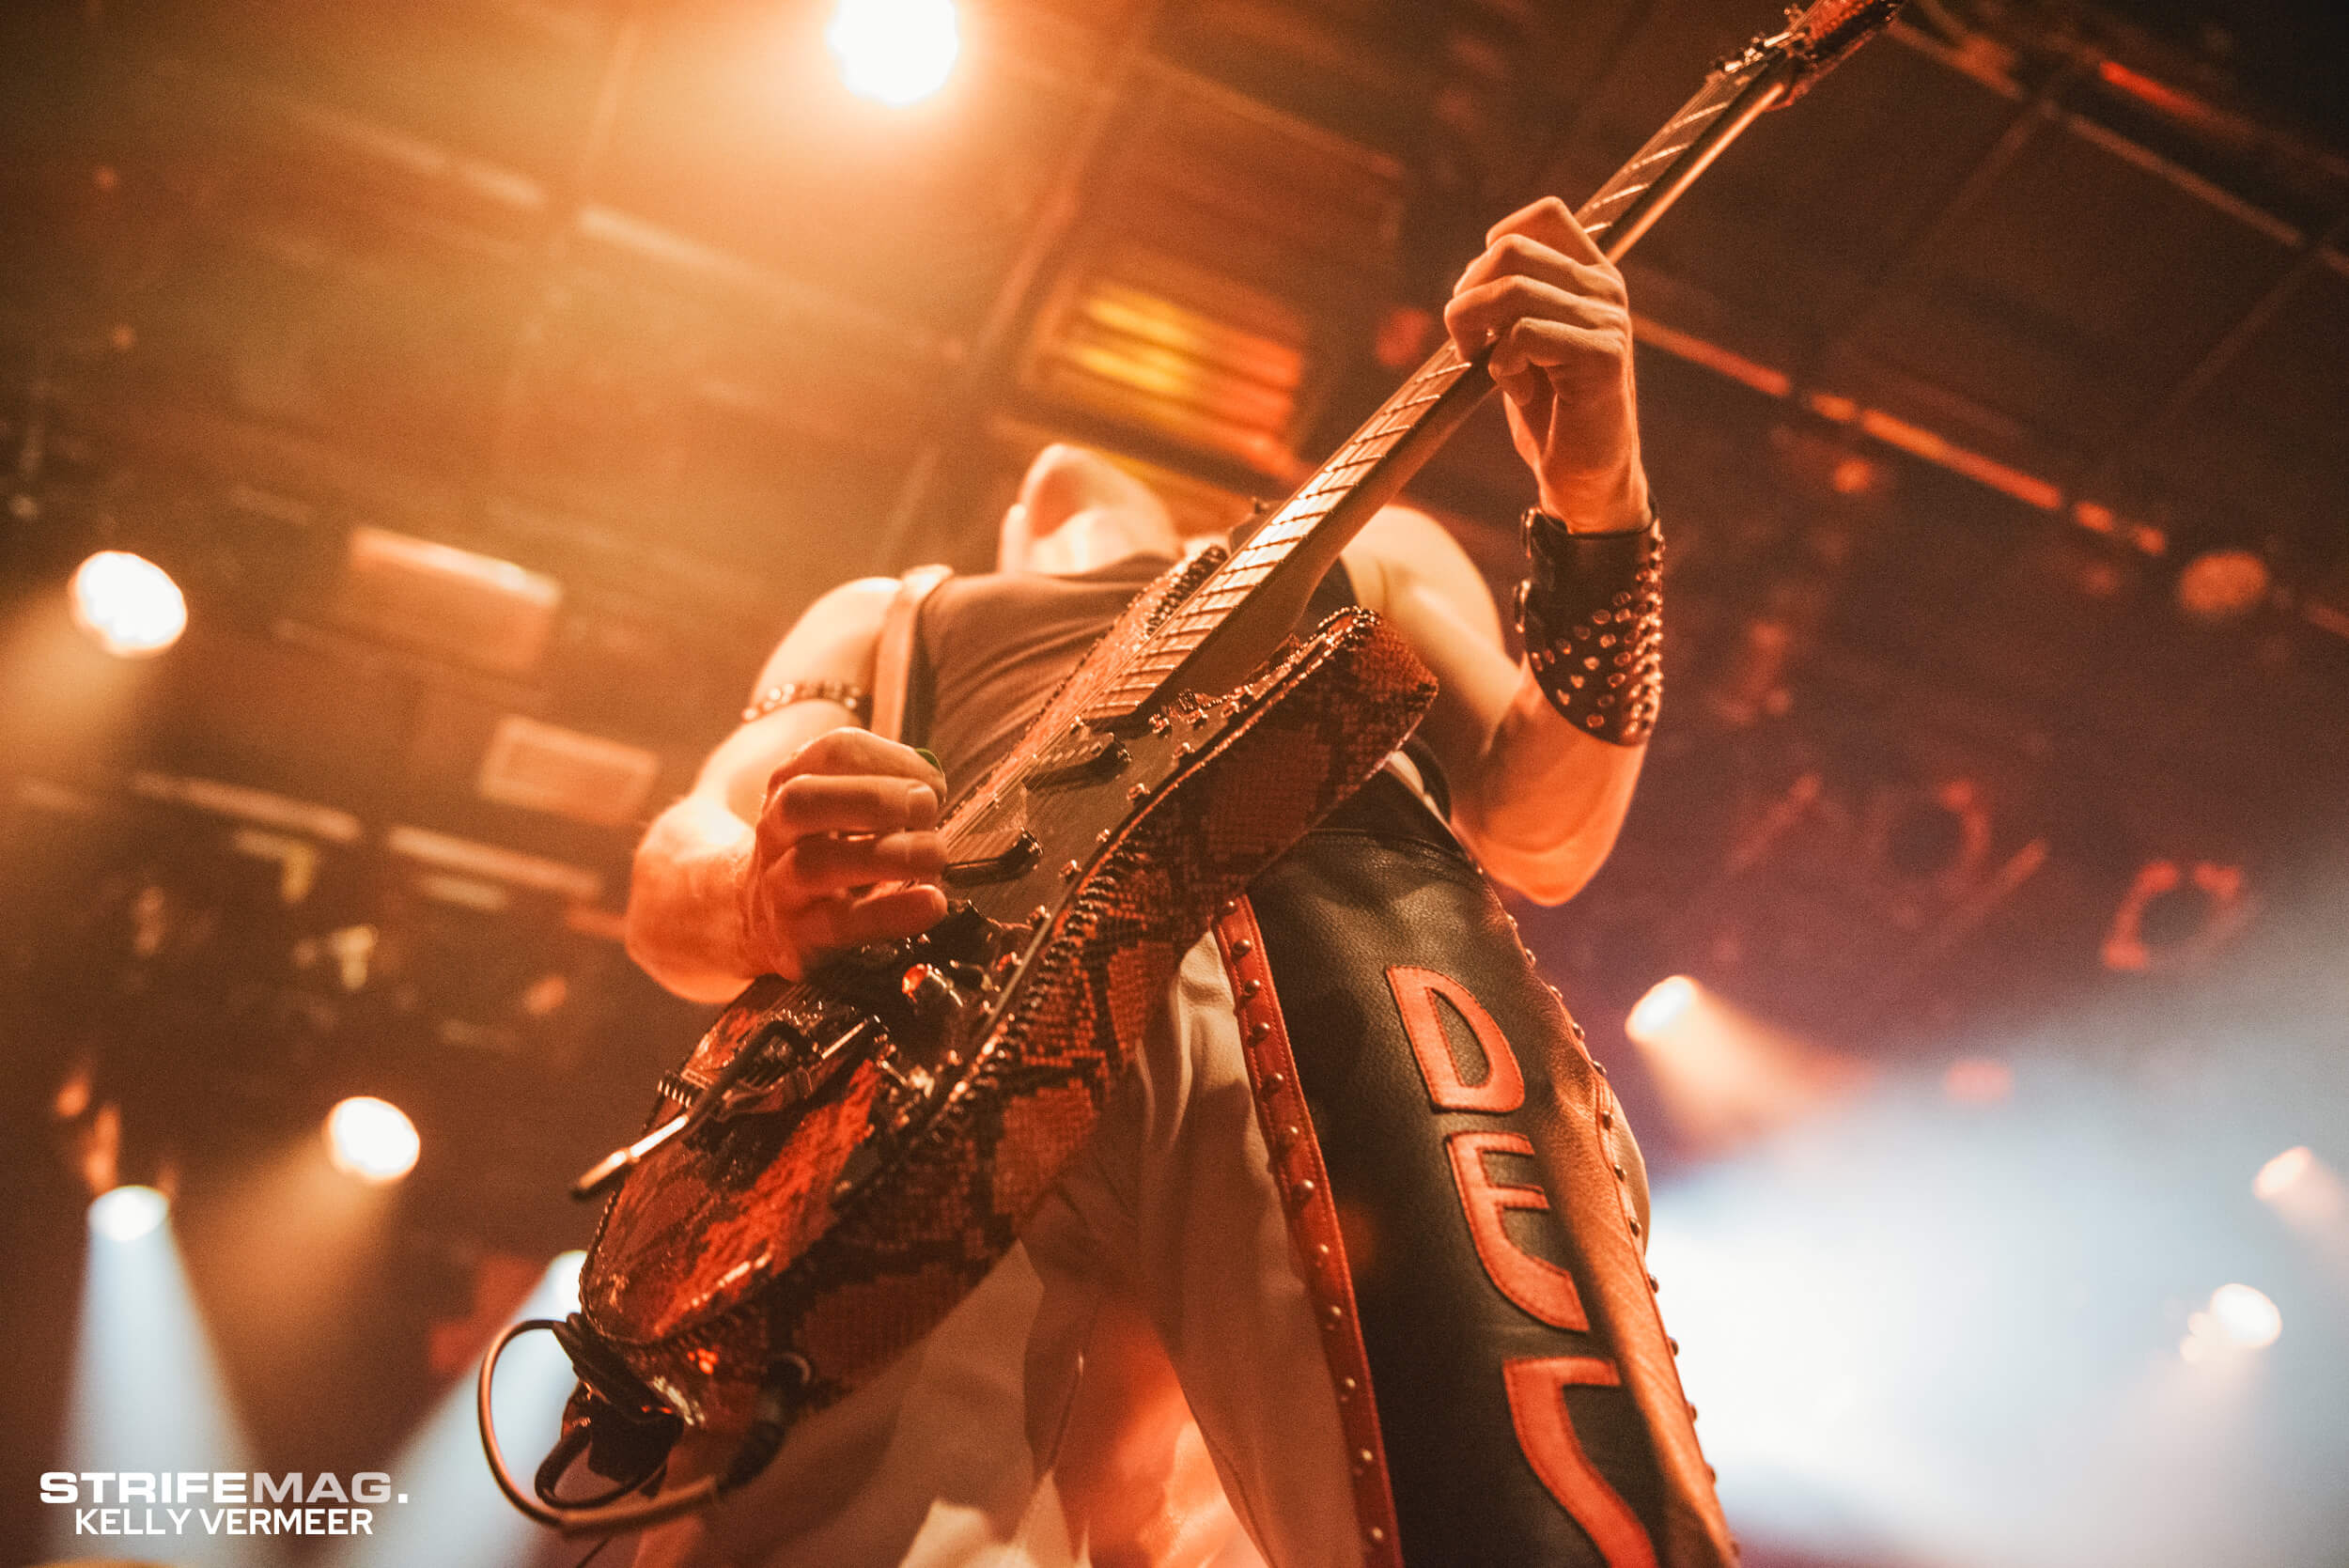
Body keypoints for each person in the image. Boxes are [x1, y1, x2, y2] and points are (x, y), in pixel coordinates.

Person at [620, 196, 1730, 1568]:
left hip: (1334, 941)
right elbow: (675, 868)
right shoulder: (893, 611)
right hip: (941, 1018)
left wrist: (1601, 503)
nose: (1059, 472)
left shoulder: (1365, 549)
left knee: (1510, 1505)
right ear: (1005, 531)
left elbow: (1542, 826)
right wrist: (756, 894)